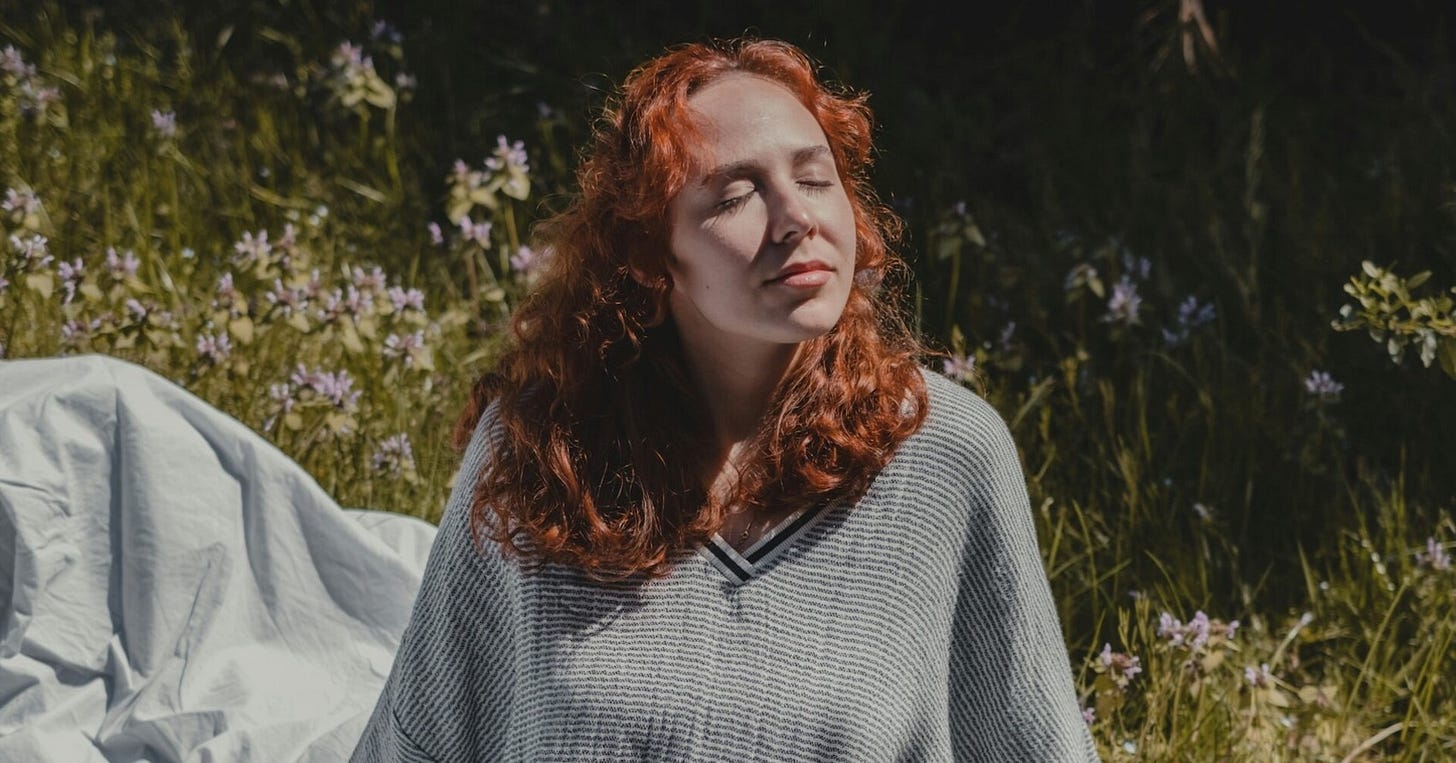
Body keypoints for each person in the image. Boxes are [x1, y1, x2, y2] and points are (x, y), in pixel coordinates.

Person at [352, 38, 1098, 762]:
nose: (797, 218)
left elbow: (1036, 745)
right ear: (649, 252)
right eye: (737, 195)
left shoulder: (947, 453)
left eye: (815, 179)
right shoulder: (540, 449)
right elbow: (422, 739)